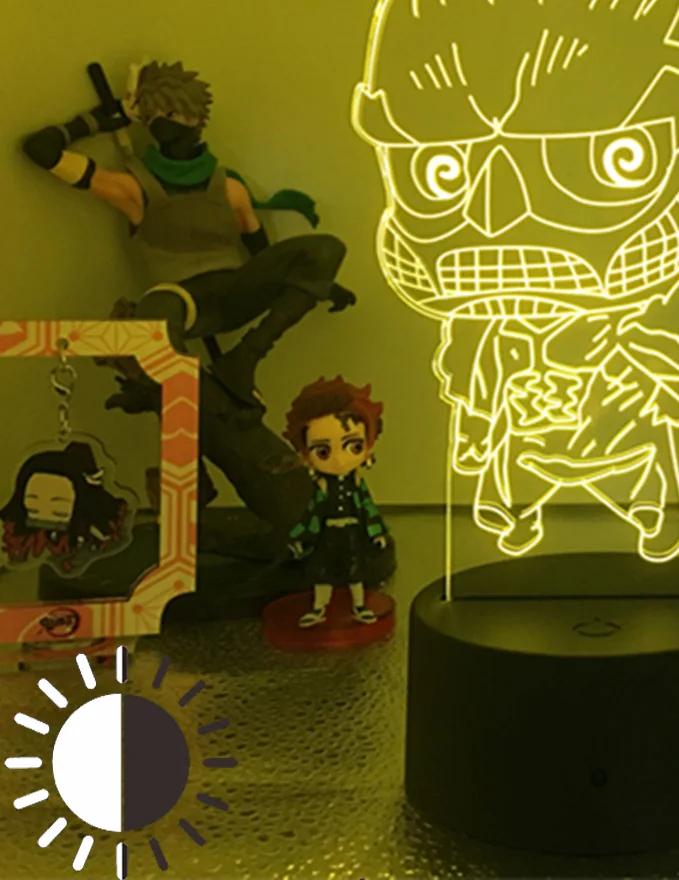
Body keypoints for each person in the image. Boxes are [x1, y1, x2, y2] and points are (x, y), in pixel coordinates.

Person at [20, 61, 356, 408]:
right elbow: (41, 150)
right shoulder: (134, 189)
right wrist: (97, 120)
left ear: (195, 117)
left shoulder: (229, 189)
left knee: (327, 249)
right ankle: (200, 402)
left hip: (236, 289)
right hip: (182, 298)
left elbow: (262, 253)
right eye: (154, 116)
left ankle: (244, 359)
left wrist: (314, 283)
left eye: (172, 113)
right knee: (155, 314)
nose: (164, 123)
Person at [283, 377, 389, 627]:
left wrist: (377, 533)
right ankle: (319, 608)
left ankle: (359, 605)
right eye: (323, 452)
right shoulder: (321, 489)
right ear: (306, 454)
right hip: (327, 535)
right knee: (321, 572)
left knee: (355, 571)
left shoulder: (357, 485)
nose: (339, 460)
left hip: (352, 533)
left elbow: (368, 508)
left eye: (353, 447)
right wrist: (299, 537)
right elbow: (311, 514)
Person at [1, 441, 127, 572]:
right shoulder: (21, 545)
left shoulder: (98, 540)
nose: (46, 519)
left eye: (58, 511)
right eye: (33, 509)